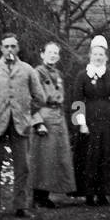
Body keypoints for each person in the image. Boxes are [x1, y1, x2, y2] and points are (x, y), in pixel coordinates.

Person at [0, 33, 46, 219]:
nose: (9, 50)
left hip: (20, 124)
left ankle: (20, 206)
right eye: (6, 46)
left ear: (18, 48)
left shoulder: (28, 70)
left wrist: (26, 112)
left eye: (13, 46)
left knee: (22, 167)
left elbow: (40, 98)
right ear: (1, 48)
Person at [70, 35, 110, 206]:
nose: (98, 57)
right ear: (90, 55)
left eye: (101, 54)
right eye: (95, 54)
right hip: (89, 120)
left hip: (108, 121)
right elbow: (76, 101)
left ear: (106, 57)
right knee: (89, 157)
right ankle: (88, 193)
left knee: (106, 156)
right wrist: (80, 124)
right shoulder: (82, 75)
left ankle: (103, 192)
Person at [29, 41, 76, 209]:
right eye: (50, 52)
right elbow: (31, 99)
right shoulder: (36, 73)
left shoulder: (57, 73)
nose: (53, 55)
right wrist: (37, 122)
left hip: (58, 116)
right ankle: (37, 197)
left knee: (55, 158)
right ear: (42, 54)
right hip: (44, 115)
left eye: (56, 53)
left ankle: (46, 195)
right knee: (42, 158)